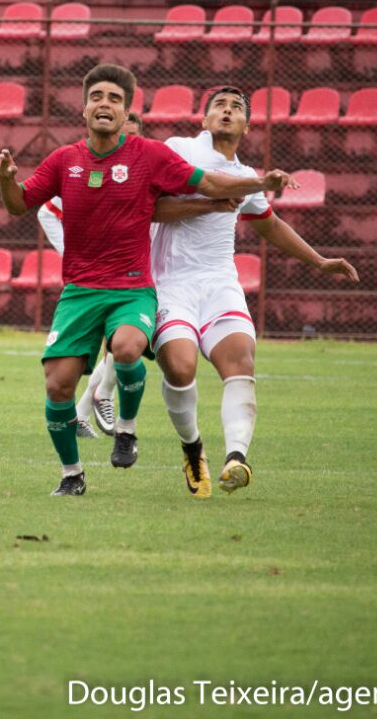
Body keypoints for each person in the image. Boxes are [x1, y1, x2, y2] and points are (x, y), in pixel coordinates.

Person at [0, 64, 292, 496]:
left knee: (128, 348)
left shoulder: (150, 154)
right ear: (84, 108)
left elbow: (209, 183)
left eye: (114, 98)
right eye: (97, 97)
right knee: (57, 384)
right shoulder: (63, 160)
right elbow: (18, 205)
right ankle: (72, 476)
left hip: (132, 288)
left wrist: (260, 181)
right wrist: (5, 178)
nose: (104, 104)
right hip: (80, 291)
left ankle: (126, 427)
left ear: (126, 112)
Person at [151, 86, 358, 498]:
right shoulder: (179, 150)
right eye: (219, 106)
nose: (227, 111)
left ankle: (237, 459)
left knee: (241, 359)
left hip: (219, 284)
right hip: (171, 283)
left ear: (246, 126)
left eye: (236, 108)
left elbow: (270, 225)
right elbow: (152, 208)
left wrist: (319, 261)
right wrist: (227, 196)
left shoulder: (247, 178)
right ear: (204, 119)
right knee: (180, 367)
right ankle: (193, 448)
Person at [35, 112, 146, 439]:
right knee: (117, 345)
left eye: (133, 135)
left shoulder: (143, 168)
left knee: (125, 343)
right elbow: (46, 210)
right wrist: (71, 250)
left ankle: (86, 408)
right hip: (91, 274)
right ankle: (98, 397)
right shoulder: (85, 172)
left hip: (137, 272)